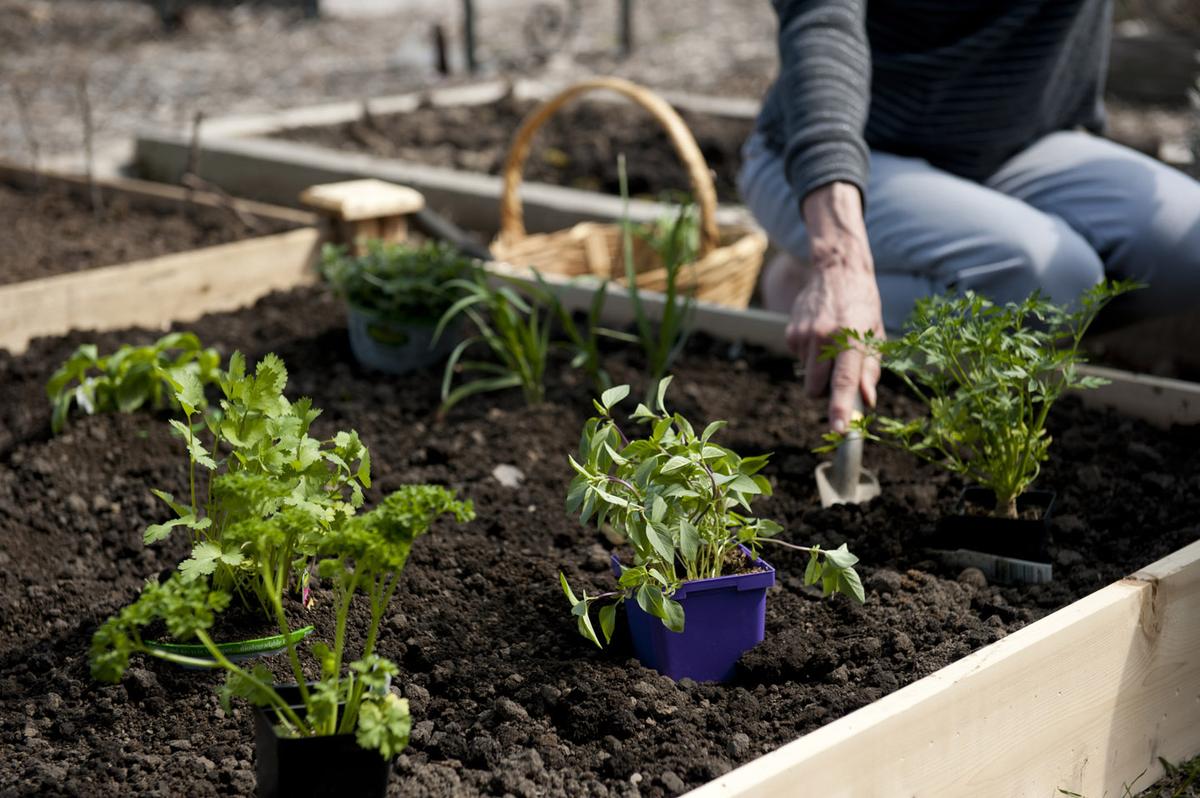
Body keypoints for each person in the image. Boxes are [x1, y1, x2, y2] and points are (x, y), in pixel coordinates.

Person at [738, 0, 1200, 433]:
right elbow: (822, 19)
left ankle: (940, 294)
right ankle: (804, 288)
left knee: (1187, 245)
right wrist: (838, 258)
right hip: (843, 158)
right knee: (1057, 279)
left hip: (1018, 149)